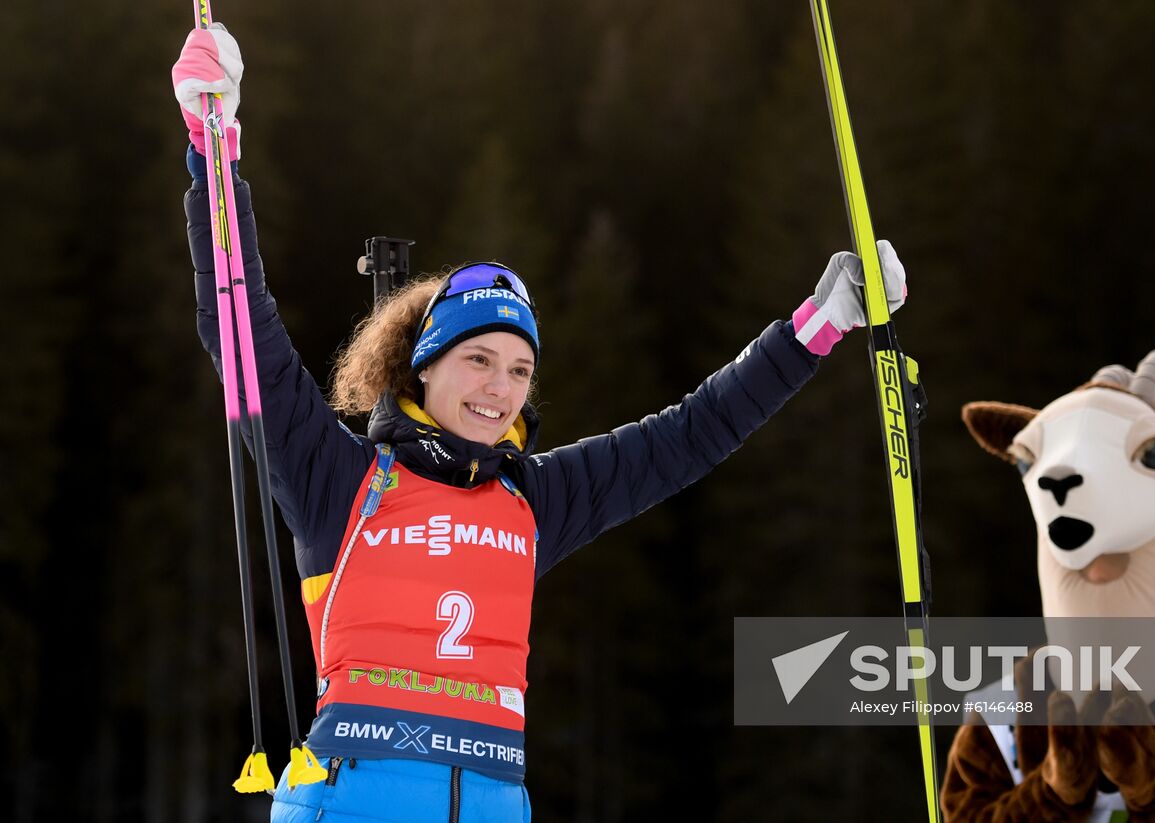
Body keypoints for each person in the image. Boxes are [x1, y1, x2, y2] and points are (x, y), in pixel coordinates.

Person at [174, 25, 908, 823]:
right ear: (424, 364)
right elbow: (245, 335)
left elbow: (692, 432)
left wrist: (818, 326)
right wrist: (215, 151)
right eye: (478, 359)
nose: (500, 388)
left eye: (520, 369)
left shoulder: (532, 500)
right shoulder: (340, 480)